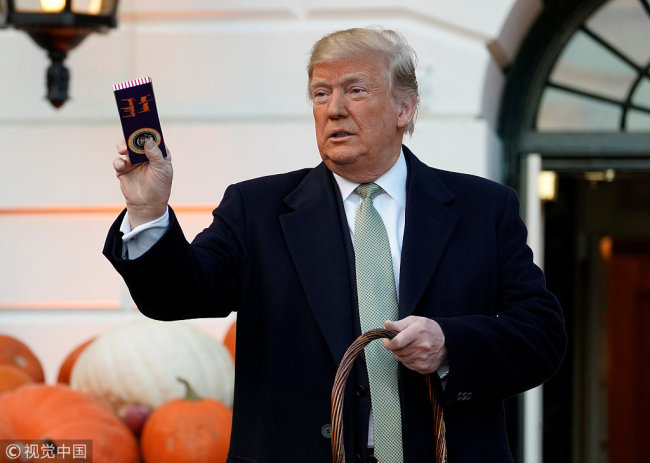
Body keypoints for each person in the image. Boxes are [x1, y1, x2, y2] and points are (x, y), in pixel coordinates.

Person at [104, 27, 567, 463]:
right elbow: (176, 296)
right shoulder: (258, 208)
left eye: (355, 90)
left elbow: (541, 337)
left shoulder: (483, 208)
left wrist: (449, 345)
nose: (333, 109)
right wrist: (148, 211)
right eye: (321, 93)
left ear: (405, 108)